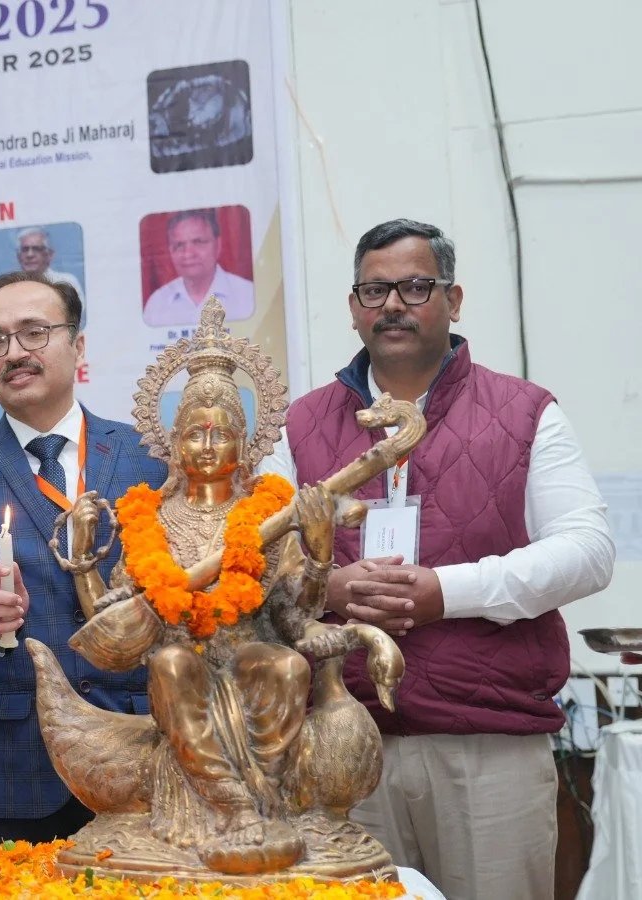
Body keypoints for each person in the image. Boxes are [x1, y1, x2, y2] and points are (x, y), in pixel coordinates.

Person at [260, 218, 614, 900]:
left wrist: (446, 592)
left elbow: (588, 552)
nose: (393, 304)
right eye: (375, 290)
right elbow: (257, 563)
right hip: (339, 744)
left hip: (487, 745)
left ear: (453, 300)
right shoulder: (298, 426)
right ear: (354, 307)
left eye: (415, 287)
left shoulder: (524, 412)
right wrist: (328, 585)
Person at [40, 297, 405, 876]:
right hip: (180, 669)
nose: (207, 446)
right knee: (170, 663)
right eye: (194, 434)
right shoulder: (150, 518)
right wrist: (84, 562)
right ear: (172, 443)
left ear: (245, 442)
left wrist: (318, 551)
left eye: (220, 434)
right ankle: (232, 806)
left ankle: (268, 800)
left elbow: (298, 614)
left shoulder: (269, 514)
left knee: (288, 666)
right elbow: (114, 632)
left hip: (250, 655)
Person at [0, 271, 166, 843]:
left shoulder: (147, 457)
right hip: (10, 760)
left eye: (34, 332)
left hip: (137, 740)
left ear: (77, 345)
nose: (15, 353)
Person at [144, 209, 254, 327]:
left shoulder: (248, 295)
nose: (188, 254)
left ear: (218, 245)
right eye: (179, 245)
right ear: (170, 251)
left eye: (198, 242)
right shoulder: (157, 303)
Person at [15, 227, 84, 297]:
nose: (30, 255)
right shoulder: (12, 286)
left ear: (50, 255)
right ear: (18, 256)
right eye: (25, 249)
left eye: (36, 249)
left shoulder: (67, 283)